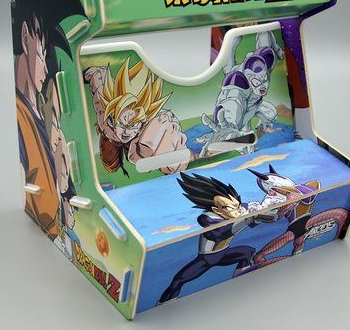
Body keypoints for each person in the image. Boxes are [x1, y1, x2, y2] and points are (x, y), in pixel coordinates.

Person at [12, 0, 86, 240]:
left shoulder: (38, 116)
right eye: (43, 52)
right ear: (25, 36)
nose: (45, 69)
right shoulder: (23, 116)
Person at [157, 172, 265, 304]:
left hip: (224, 253)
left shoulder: (241, 211)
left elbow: (255, 222)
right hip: (206, 258)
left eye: (238, 206)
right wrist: (247, 218)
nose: (238, 210)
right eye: (230, 208)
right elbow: (220, 233)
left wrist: (261, 213)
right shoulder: (207, 219)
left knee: (248, 252)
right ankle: (165, 303)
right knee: (178, 281)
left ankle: (242, 279)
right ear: (216, 209)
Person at [84, 57, 188, 176]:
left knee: (137, 154)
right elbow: (97, 74)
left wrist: (175, 151)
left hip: (135, 139)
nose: (125, 131)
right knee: (111, 165)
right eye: (121, 123)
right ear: (112, 119)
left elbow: (163, 121)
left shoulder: (149, 123)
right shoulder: (103, 110)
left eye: (132, 124)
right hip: (110, 137)